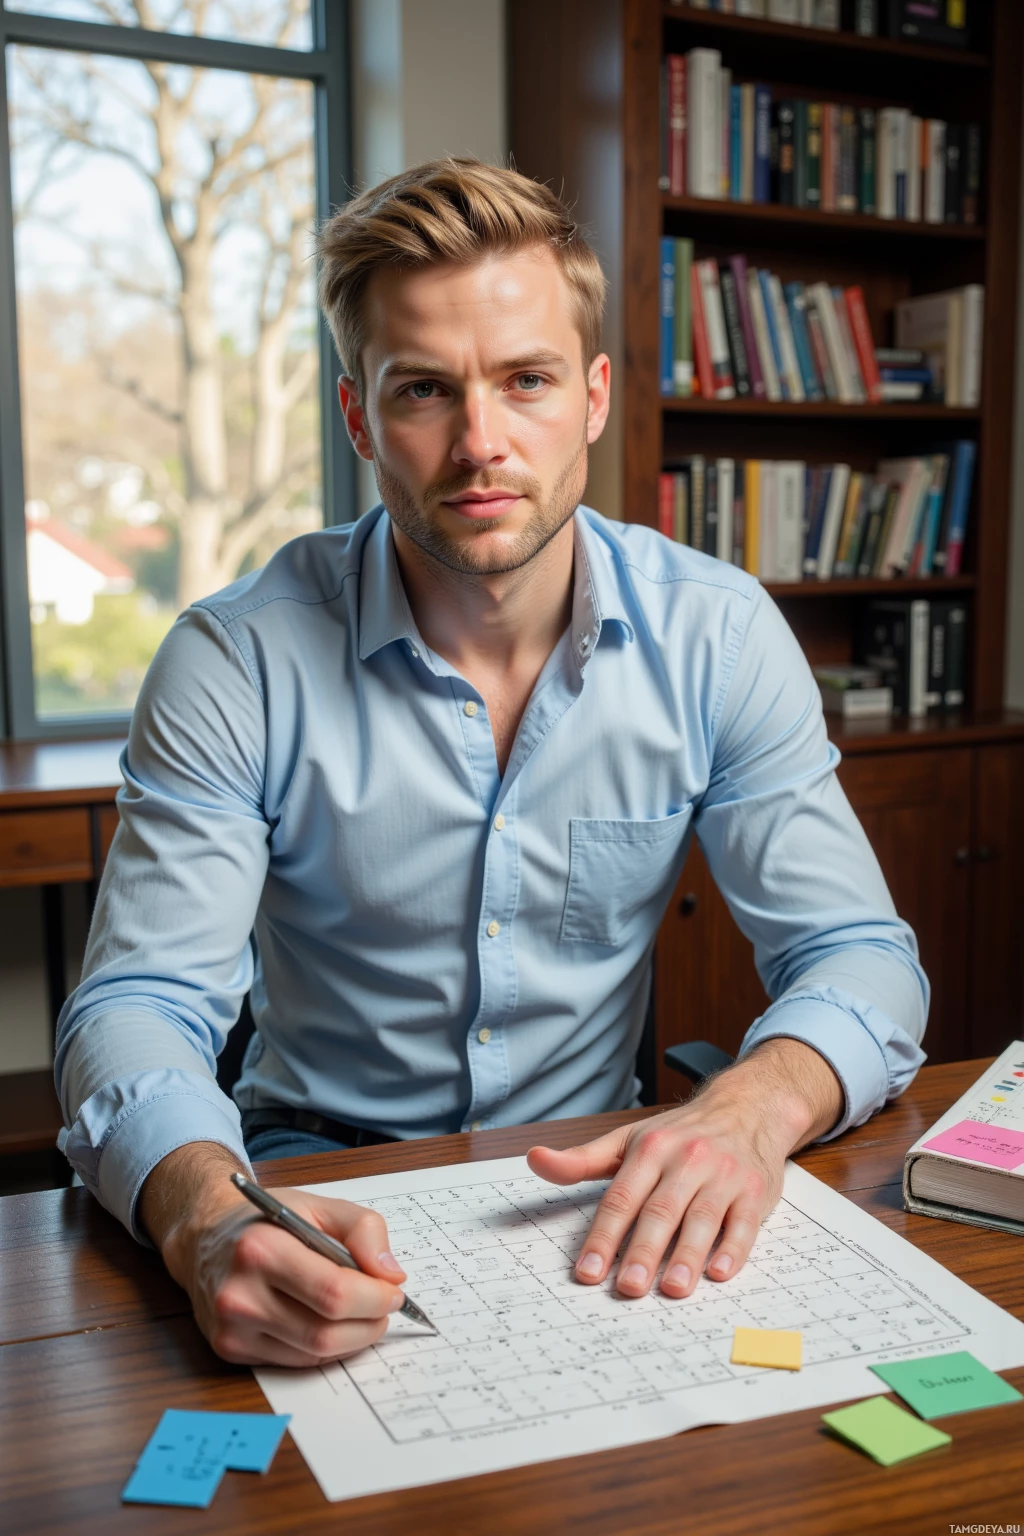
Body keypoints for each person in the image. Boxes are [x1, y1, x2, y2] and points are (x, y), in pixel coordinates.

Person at [56, 158, 928, 1370]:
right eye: (423, 390)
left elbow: (859, 956)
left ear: (592, 397)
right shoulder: (234, 659)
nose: (480, 444)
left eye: (526, 381)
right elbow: (138, 1005)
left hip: (593, 1174)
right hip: (318, 1176)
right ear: (361, 416)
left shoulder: (716, 634)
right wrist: (203, 1213)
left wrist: (748, 1106)